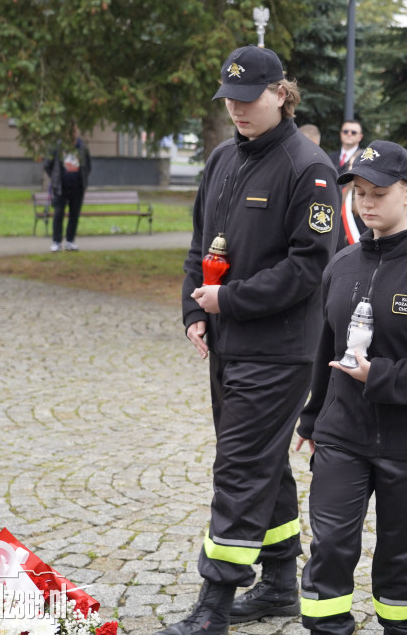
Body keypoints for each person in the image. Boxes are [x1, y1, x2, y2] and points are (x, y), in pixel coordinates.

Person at [159, 45, 339, 635]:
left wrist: (229, 300)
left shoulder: (308, 165)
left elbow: (309, 266)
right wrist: (195, 309)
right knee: (261, 462)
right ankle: (282, 583)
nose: (236, 108)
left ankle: (213, 605)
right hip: (227, 339)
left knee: (237, 467)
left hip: (282, 349)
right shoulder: (220, 159)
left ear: (280, 94)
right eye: (228, 99)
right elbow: (199, 244)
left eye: (247, 98)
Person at [296, 140, 407, 634]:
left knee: (400, 558)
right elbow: (325, 349)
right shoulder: (341, 265)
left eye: (378, 192)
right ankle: (328, 627)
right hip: (343, 433)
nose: (366, 202)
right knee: (331, 544)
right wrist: (312, 416)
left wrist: (381, 376)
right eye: (358, 192)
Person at [44, 125, 92, 252]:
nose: (71, 134)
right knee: (58, 214)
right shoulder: (57, 146)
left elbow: (88, 166)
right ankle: (56, 241)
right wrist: (55, 178)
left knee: (74, 215)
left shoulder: (82, 146)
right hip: (61, 187)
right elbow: (48, 165)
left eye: (74, 131)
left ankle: (70, 241)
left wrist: (82, 180)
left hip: (77, 188)